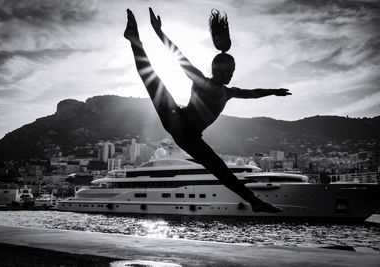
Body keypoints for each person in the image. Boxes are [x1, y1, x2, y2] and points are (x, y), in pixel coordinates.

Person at [124, 8, 291, 212]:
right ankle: (134, 38)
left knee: (219, 168)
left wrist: (275, 91)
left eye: (233, 71)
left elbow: (254, 92)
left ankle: (254, 201)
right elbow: (177, 55)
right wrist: (158, 31)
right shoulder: (200, 81)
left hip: (192, 136)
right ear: (216, 70)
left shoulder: (228, 92)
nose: (230, 74)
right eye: (227, 71)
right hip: (177, 118)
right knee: (152, 79)